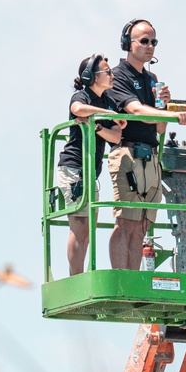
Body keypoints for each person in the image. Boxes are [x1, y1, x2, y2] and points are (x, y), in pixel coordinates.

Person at [106, 18, 186, 270]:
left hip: (150, 155)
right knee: (125, 222)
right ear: (127, 43)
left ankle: (133, 279)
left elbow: (159, 127)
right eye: (144, 41)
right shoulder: (117, 75)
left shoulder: (151, 78)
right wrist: (172, 114)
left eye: (153, 41)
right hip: (127, 154)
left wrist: (163, 105)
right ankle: (122, 277)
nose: (150, 46)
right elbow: (135, 110)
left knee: (142, 224)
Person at [56, 54, 124, 275]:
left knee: (89, 230)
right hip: (74, 168)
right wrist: (107, 115)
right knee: (80, 229)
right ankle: (76, 277)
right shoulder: (82, 96)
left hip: (90, 172)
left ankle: (79, 275)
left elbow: (115, 136)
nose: (112, 75)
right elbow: (77, 109)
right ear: (92, 77)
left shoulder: (107, 100)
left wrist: (97, 127)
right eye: (107, 72)